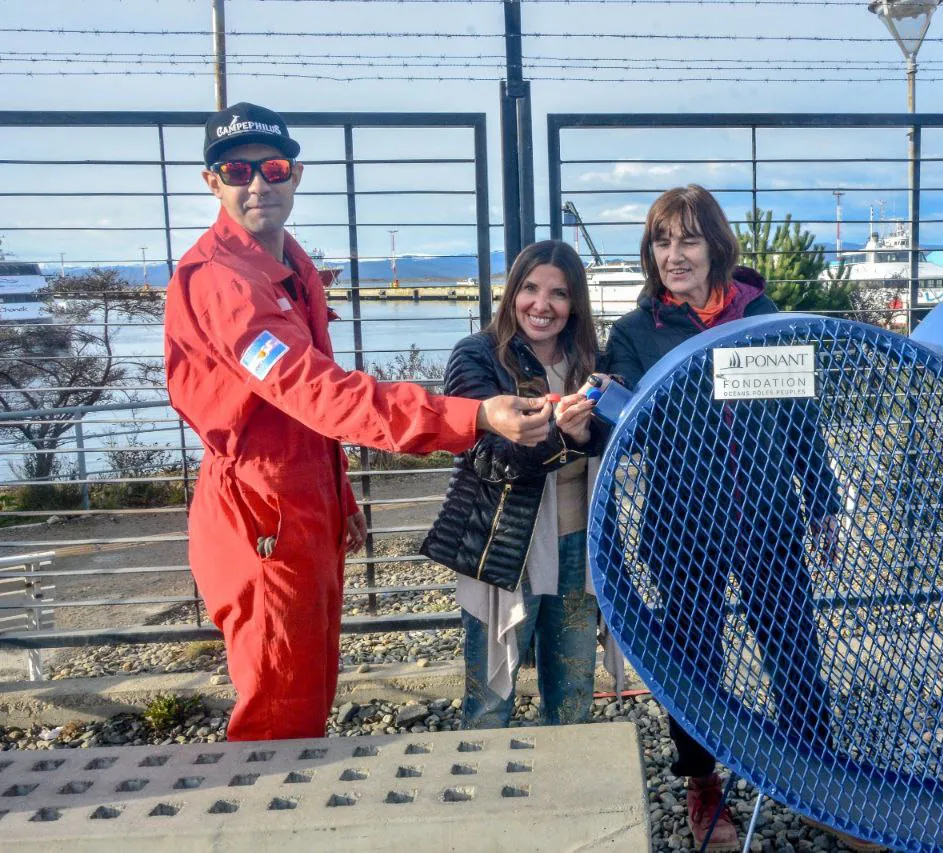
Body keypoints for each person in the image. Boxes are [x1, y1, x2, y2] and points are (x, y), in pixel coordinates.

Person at [164, 102, 552, 742]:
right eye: (237, 169)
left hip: (300, 501)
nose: (258, 183)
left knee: (308, 681)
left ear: (296, 176)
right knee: (277, 704)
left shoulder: (288, 265)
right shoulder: (225, 282)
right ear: (213, 182)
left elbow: (300, 411)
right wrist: (474, 414)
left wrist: (338, 492)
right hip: (261, 510)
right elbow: (315, 391)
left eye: (274, 167)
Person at [601, 185, 844, 852]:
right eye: (661, 241)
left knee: (795, 653)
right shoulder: (635, 332)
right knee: (694, 662)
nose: (673, 254)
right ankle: (701, 783)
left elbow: (800, 416)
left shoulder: (759, 312)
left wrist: (821, 499)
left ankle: (817, 778)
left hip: (767, 518)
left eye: (687, 239)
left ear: (715, 245)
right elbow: (616, 421)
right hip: (683, 529)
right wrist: (593, 403)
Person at [422, 239, 614, 728]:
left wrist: (596, 425)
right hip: (506, 548)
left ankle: (563, 796)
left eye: (559, 294)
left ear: (576, 305)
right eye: (529, 288)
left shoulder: (592, 360)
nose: (542, 305)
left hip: (581, 545)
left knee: (573, 693)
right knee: (489, 699)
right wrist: (566, 439)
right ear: (511, 294)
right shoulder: (476, 356)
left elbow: (617, 437)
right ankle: (485, 798)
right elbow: (488, 458)